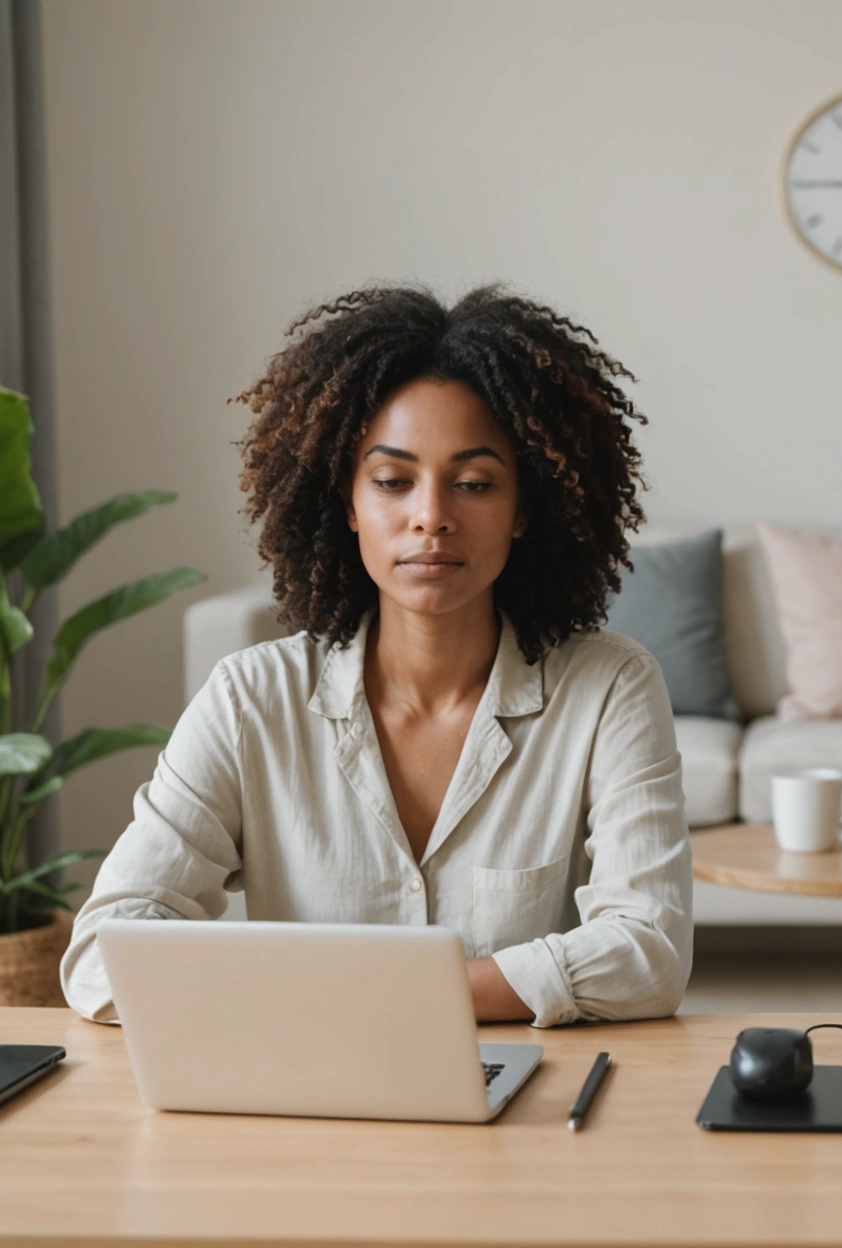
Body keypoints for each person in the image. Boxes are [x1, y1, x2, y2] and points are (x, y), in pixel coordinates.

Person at [62, 285, 691, 1027]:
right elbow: (103, 955)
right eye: (393, 481)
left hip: (530, 1112)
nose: (431, 516)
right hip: (303, 1104)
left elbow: (647, 953)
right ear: (349, 504)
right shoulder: (249, 700)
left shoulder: (609, 686)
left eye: (474, 483)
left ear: (524, 508)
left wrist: (365, 999)